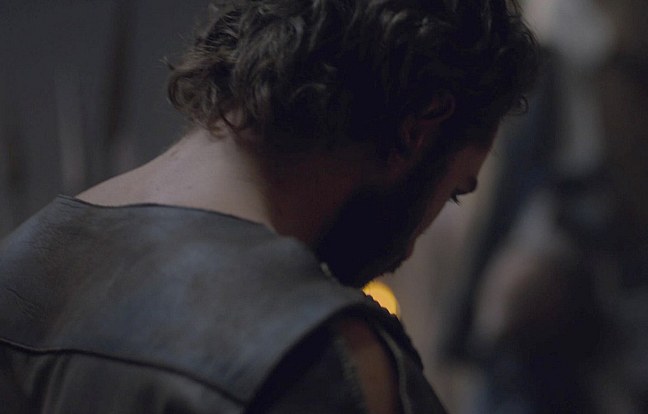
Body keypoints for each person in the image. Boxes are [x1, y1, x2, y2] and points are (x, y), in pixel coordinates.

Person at [0, 0, 538, 412]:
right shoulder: (320, 359)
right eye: (454, 190)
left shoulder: (20, 265)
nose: (412, 246)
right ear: (418, 128)